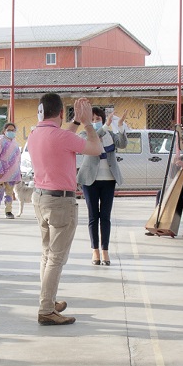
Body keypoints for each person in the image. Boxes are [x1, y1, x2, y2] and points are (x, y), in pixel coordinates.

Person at [30, 92, 105, 325]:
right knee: (56, 258)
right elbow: (96, 148)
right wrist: (87, 124)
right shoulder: (61, 137)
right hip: (60, 202)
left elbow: (62, 137)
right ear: (61, 113)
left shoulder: (35, 133)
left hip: (41, 198)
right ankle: (46, 309)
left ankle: (48, 301)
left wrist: (74, 122)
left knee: (46, 255)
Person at [76, 108, 127, 264]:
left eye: (98, 119)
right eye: (93, 119)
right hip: (90, 180)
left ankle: (105, 251)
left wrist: (119, 126)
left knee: (105, 217)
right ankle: (95, 251)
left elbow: (123, 144)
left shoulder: (110, 135)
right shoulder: (84, 134)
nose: (96, 121)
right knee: (93, 217)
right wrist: (104, 127)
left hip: (108, 179)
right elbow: (93, 140)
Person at [0, 122, 22, 219]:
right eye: (9, 130)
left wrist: (17, 172)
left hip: (12, 173)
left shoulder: (14, 142)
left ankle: (8, 211)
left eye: (13, 130)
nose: (11, 132)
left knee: (9, 193)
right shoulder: (0, 141)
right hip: (2, 172)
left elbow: (17, 158)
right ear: (4, 131)